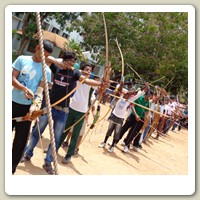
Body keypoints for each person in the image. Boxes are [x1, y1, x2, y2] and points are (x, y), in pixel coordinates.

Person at [21, 52, 106, 174]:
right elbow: (45, 57)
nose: (71, 63)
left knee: (56, 138)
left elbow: (86, 80)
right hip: (49, 107)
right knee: (36, 132)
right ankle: (28, 154)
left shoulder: (75, 73)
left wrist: (102, 83)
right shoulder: (56, 68)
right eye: (69, 60)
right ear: (64, 60)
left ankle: (48, 161)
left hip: (63, 111)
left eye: (73, 61)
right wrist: (58, 62)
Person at [12, 40, 54, 174]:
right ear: (37, 48)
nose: (43, 58)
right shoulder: (22, 59)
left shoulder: (46, 71)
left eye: (46, 56)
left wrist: (34, 106)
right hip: (12, 103)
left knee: (20, 141)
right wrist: (24, 88)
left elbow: (40, 91)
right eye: (42, 54)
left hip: (27, 109)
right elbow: (12, 78)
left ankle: (10, 168)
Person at [58, 63, 104, 165]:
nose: (88, 72)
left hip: (82, 112)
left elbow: (101, 89)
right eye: (86, 70)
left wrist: (104, 83)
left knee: (75, 134)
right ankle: (55, 147)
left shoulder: (91, 83)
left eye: (90, 71)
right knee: (64, 130)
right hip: (71, 108)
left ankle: (69, 155)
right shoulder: (77, 78)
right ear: (82, 70)